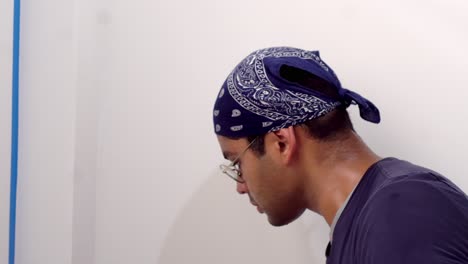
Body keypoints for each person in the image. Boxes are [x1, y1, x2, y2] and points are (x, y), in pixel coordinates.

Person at [212, 47, 468, 263]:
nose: (241, 187)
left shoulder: (400, 214)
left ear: (281, 143)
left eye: (237, 163)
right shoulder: (371, 220)